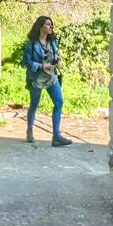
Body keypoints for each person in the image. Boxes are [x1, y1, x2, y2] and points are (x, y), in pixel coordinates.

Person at [21, 16, 72, 146]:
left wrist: (56, 58)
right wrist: (41, 66)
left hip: (51, 76)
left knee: (59, 102)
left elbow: (55, 54)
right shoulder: (32, 44)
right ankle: (30, 130)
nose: (51, 27)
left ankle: (56, 136)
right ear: (41, 26)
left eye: (51, 24)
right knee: (34, 104)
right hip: (36, 78)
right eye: (48, 24)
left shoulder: (53, 41)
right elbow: (26, 62)